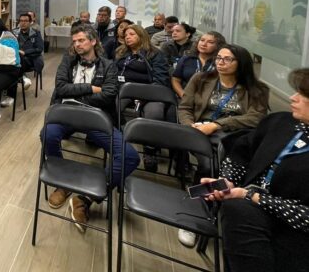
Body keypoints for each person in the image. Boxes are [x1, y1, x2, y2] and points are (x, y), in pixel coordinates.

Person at [201, 68, 309, 271]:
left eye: (303, 95)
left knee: (238, 210)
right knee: (237, 210)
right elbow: (240, 155)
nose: (293, 98)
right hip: (247, 211)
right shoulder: (280, 122)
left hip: (293, 228)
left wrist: (252, 196)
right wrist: (228, 181)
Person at [44, 25, 140, 232]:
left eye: (81, 40)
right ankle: (62, 183)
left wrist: (76, 95)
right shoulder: (67, 61)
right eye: (74, 41)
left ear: (94, 41)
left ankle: (85, 198)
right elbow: (61, 88)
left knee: (130, 156)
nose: (77, 44)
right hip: (66, 114)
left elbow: (108, 94)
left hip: (96, 117)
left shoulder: (108, 65)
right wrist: (91, 88)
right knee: (48, 135)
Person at [176, 43, 269, 248]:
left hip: (235, 139)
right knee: (207, 166)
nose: (220, 62)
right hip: (199, 133)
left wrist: (217, 125)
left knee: (230, 171)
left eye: (227, 59)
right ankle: (193, 217)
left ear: (241, 63)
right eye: (219, 58)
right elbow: (184, 108)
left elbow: (256, 117)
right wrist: (190, 127)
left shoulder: (257, 89)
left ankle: (212, 209)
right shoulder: (201, 79)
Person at [114, 24, 171, 172]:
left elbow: (160, 80)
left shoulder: (155, 54)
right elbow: (113, 71)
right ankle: (119, 141)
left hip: (150, 92)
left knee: (155, 112)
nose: (128, 37)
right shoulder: (121, 52)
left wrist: (145, 95)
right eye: (126, 35)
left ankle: (150, 150)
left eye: (132, 34)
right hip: (124, 90)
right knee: (111, 105)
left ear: (141, 36)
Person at [171, 31, 226, 98]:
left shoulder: (220, 62)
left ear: (218, 46)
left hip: (212, 98)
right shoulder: (187, 59)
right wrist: (183, 95)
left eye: (210, 42)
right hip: (187, 96)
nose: (204, 44)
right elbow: (175, 79)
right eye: (202, 40)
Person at [12, 13, 44, 89]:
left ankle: (22, 78)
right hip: (15, 57)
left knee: (15, 64)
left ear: (30, 22)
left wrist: (25, 52)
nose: (23, 23)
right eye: (21, 21)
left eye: (25, 21)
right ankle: (23, 78)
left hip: (30, 59)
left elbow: (40, 48)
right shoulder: (14, 32)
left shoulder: (36, 33)